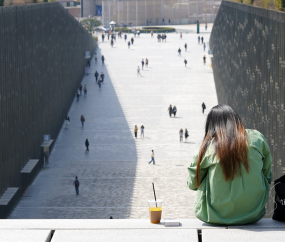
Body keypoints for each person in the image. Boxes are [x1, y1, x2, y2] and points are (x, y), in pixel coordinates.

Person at [187, 104, 272, 225]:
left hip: (214, 216)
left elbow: (192, 183)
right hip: (254, 213)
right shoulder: (256, 138)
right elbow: (268, 175)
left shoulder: (208, 147)